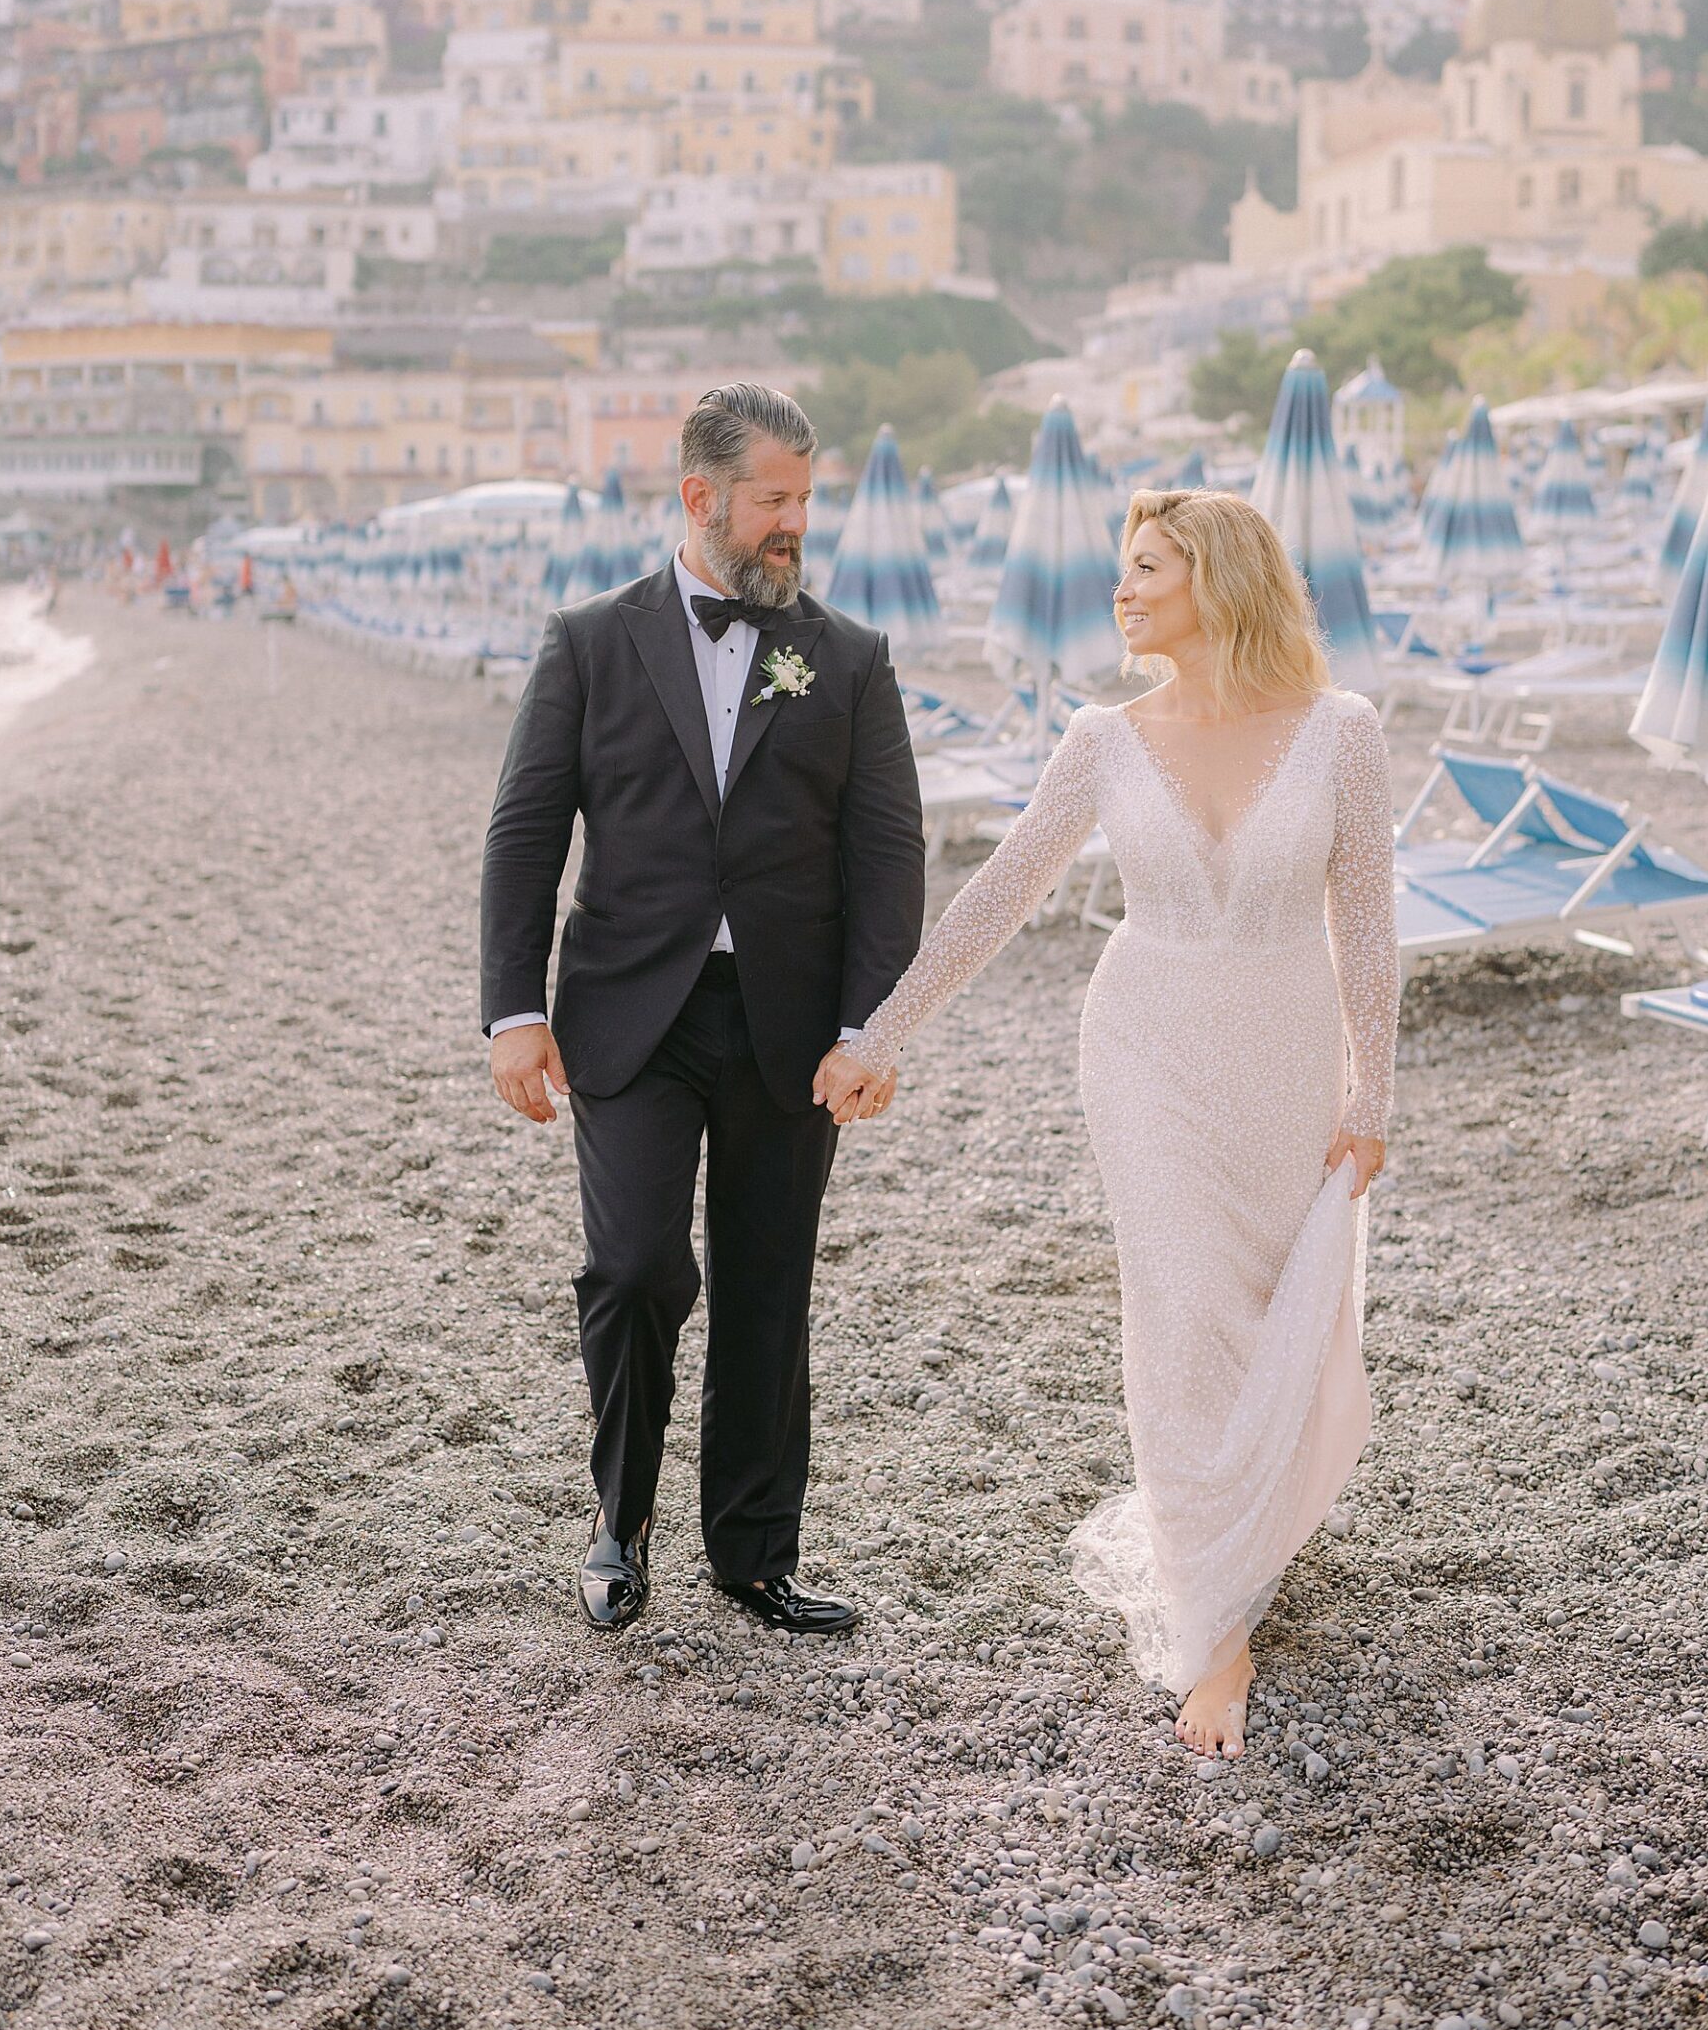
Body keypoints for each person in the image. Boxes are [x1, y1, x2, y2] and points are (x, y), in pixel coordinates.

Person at [821, 489, 1398, 1758]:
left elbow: (1367, 926)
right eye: (1122, 571)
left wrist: (1374, 1097)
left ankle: (1252, 1521)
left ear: (1223, 582)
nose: (1123, 593)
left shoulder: (1342, 730)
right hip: (1144, 1051)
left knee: (1269, 1307)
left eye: (1145, 570)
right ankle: (1220, 1634)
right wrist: (879, 1037)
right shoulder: (1103, 737)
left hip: (1289, 1055)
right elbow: (997, 896)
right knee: (1184, 1302)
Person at [479, 383, 926, 1638]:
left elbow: (887, 860)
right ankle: (618, 1525)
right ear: (700, 498)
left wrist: (870, 1030)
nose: (794, 522)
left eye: (803, 499)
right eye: (773, 499)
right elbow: (524, 835)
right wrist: (512, 1011)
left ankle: (754, 1554)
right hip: (631, 1015)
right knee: (634, 1269)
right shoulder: (587, 641)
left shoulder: (850, 658)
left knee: (769, 1283)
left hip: (792, 1028)